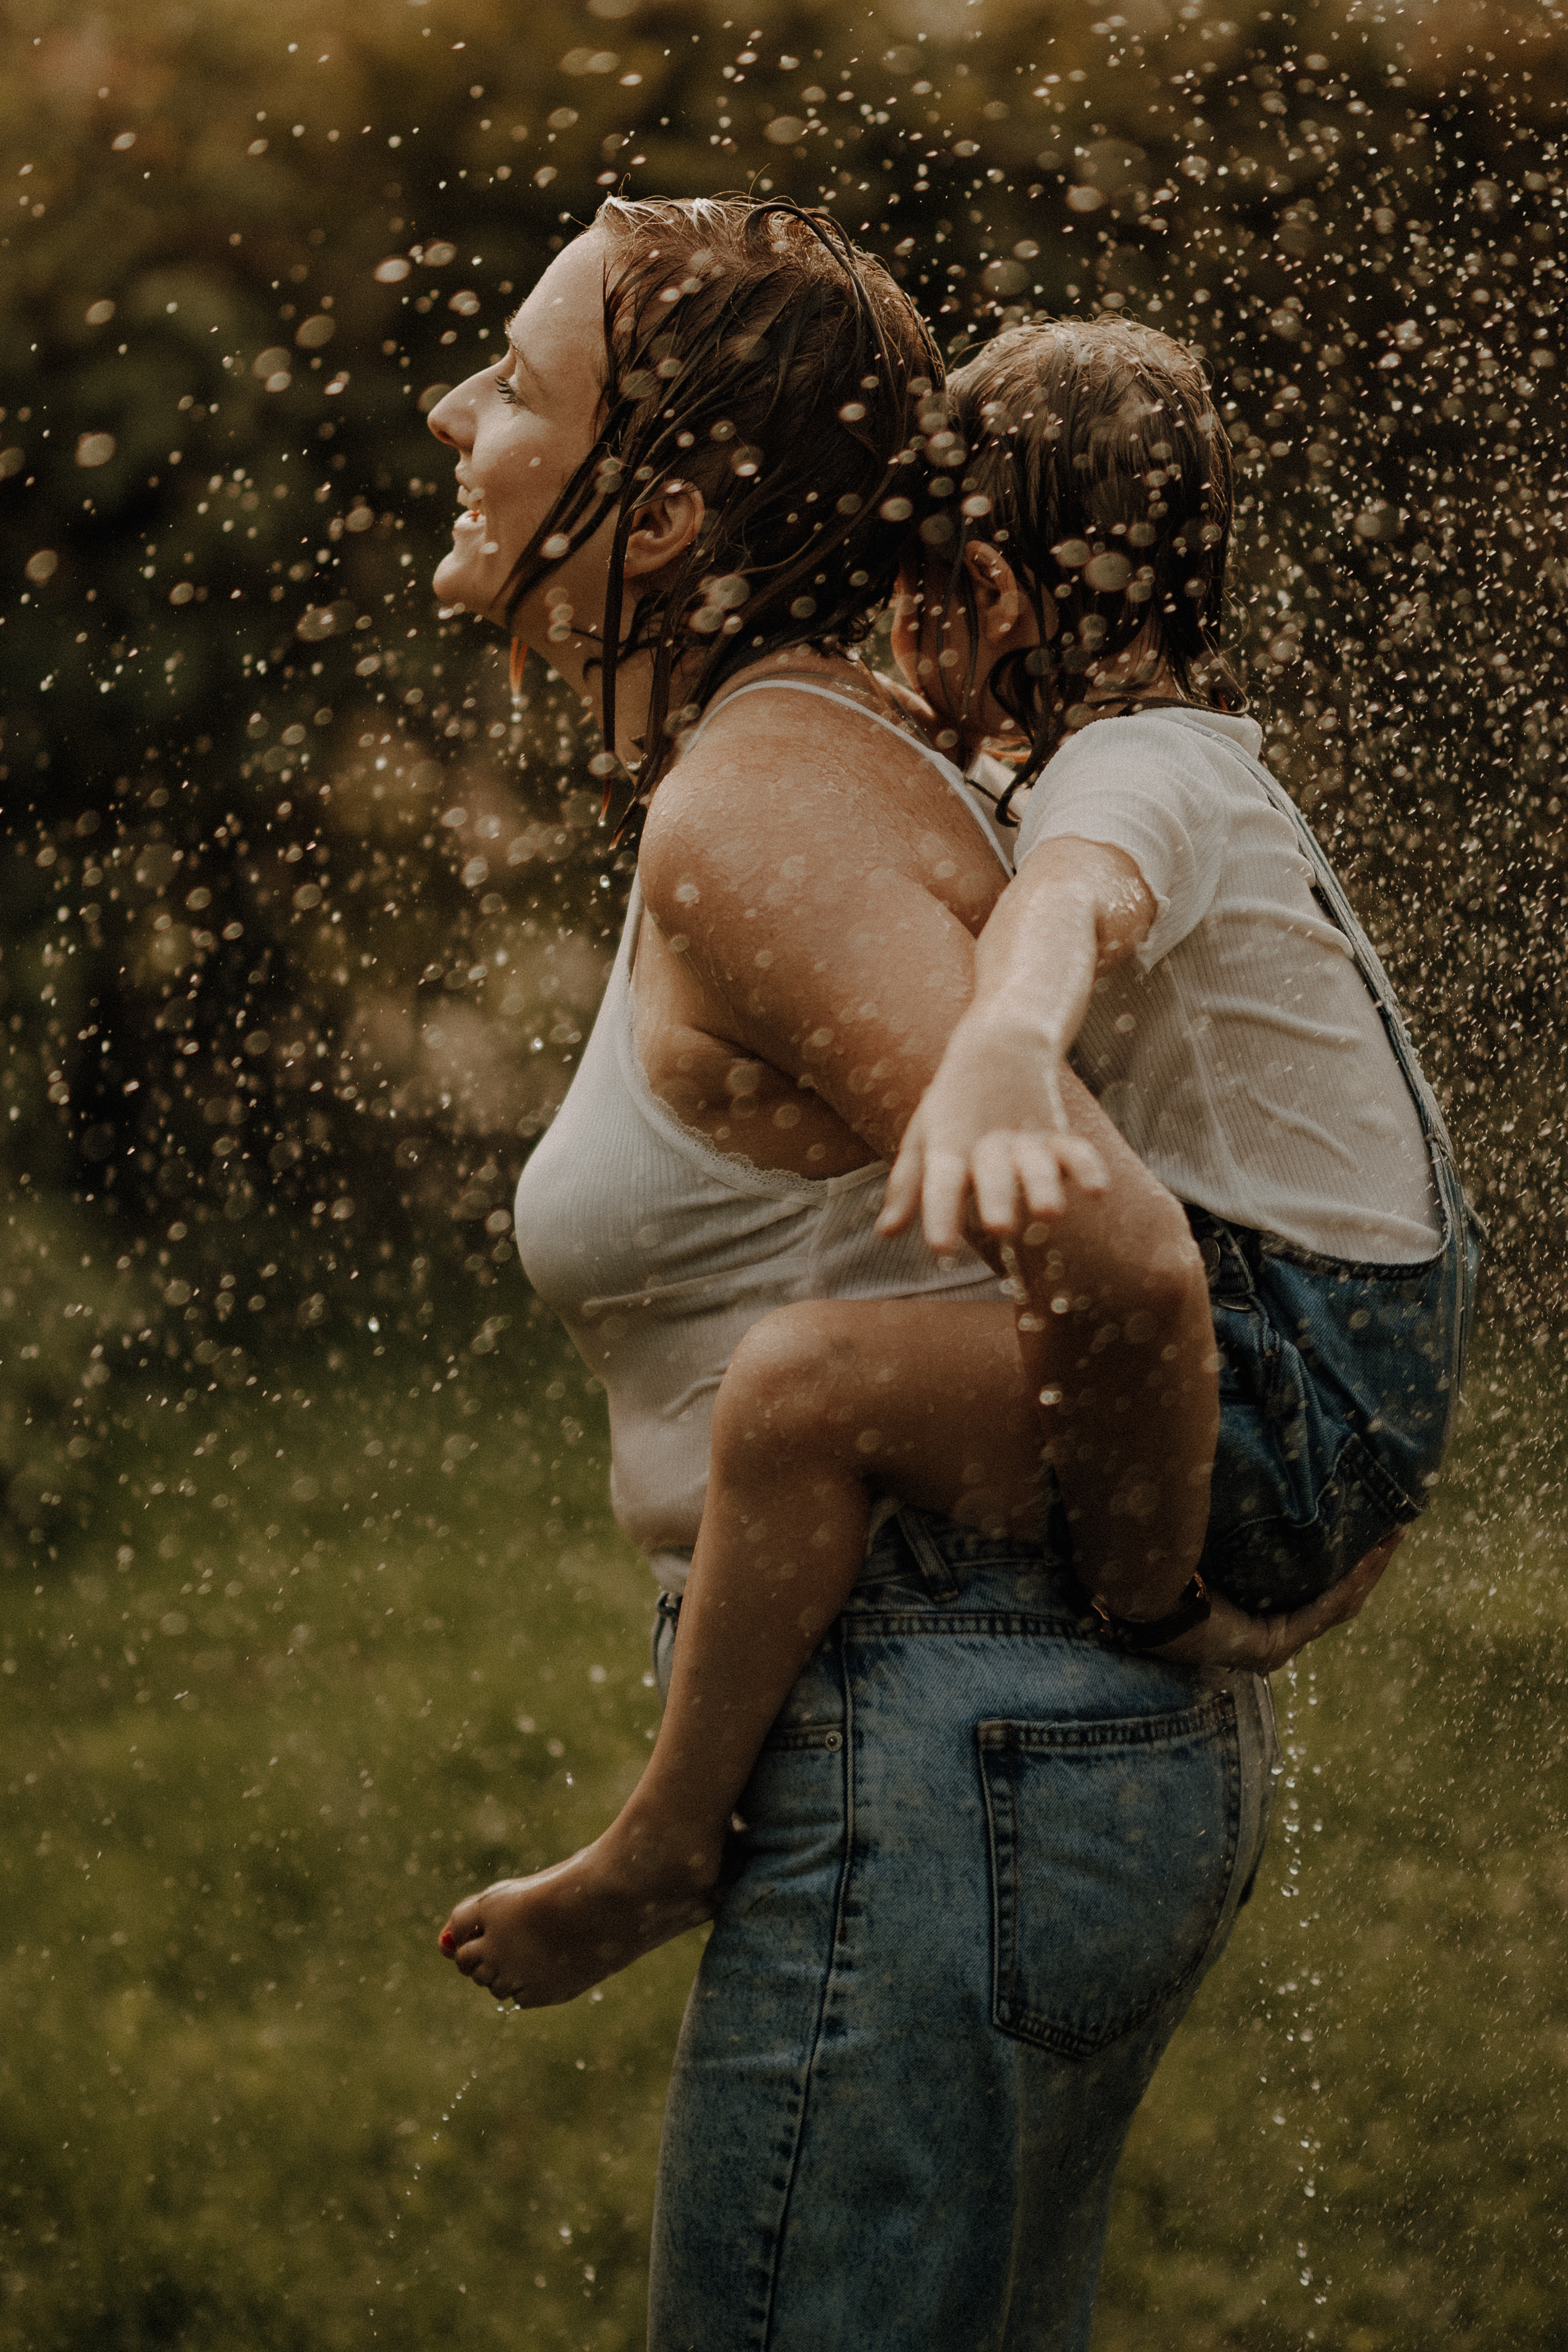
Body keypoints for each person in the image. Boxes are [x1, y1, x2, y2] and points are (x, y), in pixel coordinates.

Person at [428, 205, 1391, 2348]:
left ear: (659, 518)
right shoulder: (811, 762)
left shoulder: (762, 810)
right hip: (977, 1735)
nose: (452, 413)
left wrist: (1164, 1603)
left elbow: (1112, 1252)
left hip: (940, 1726)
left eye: (513, 381)